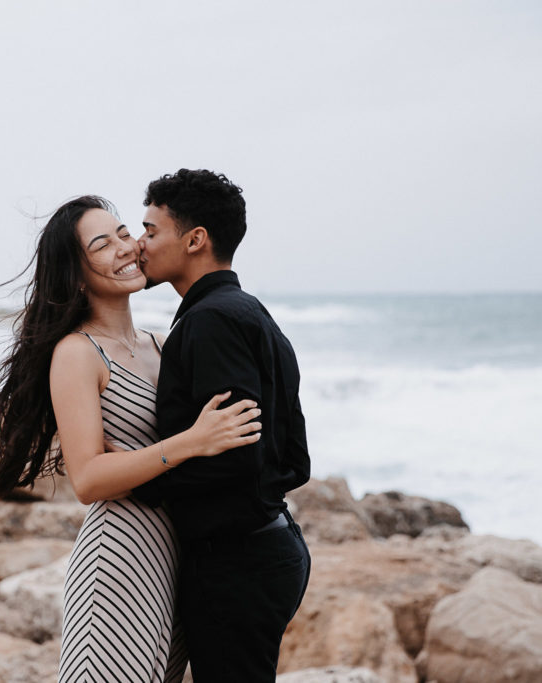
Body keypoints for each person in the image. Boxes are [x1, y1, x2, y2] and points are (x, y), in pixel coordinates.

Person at [0, 195, 263, 682]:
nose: (126, 248)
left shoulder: (161, 344)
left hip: (178, 556)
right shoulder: (77, 354)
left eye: (125, 233)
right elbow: (88, 479)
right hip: (120, 556)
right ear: (74, 271)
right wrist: (190, 443)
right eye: (102, 243)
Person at [134, 169, 312, 681]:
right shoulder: (248, 312)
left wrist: (140, 476)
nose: (140, 246)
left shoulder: (210, 321)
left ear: (195, 240)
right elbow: (294, 459)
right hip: (267, 546)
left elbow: (237, 454)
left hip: (239, 564)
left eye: (150, 231)